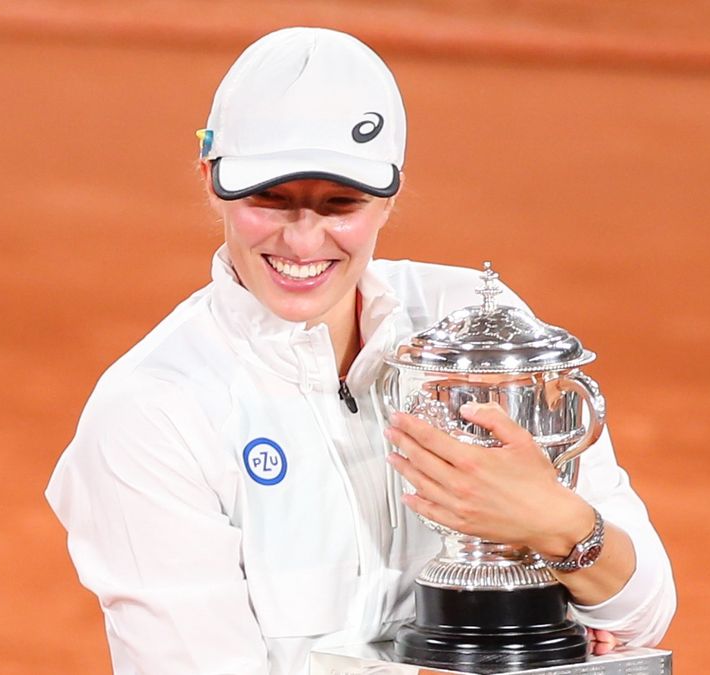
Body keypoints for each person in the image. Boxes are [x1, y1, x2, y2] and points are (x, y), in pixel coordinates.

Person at [46, 26, 675, 675]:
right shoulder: (154, 410)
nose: (303, 239)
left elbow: (639, 614)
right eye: (272, 199)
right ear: (212, 179)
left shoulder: (478, 325)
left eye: (340, 203)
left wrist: (561, 525)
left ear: (389, 197)